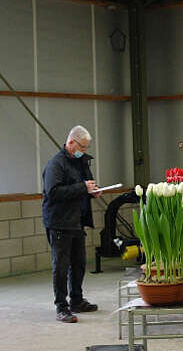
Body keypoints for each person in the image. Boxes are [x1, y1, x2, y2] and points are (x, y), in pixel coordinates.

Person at [42, 125, 102, 323]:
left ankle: (76, 299)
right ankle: (61, 306)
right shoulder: (56, 164)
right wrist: (82, 187)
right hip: (59, 222)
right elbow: (54, 192)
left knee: (79, 264)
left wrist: (92, 189)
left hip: (76, 221)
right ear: (70, 142)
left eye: (85, 148)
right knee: (60, 266)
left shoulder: (80, 162)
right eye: (82, 147)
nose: (84, 151)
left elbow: (85, 184)